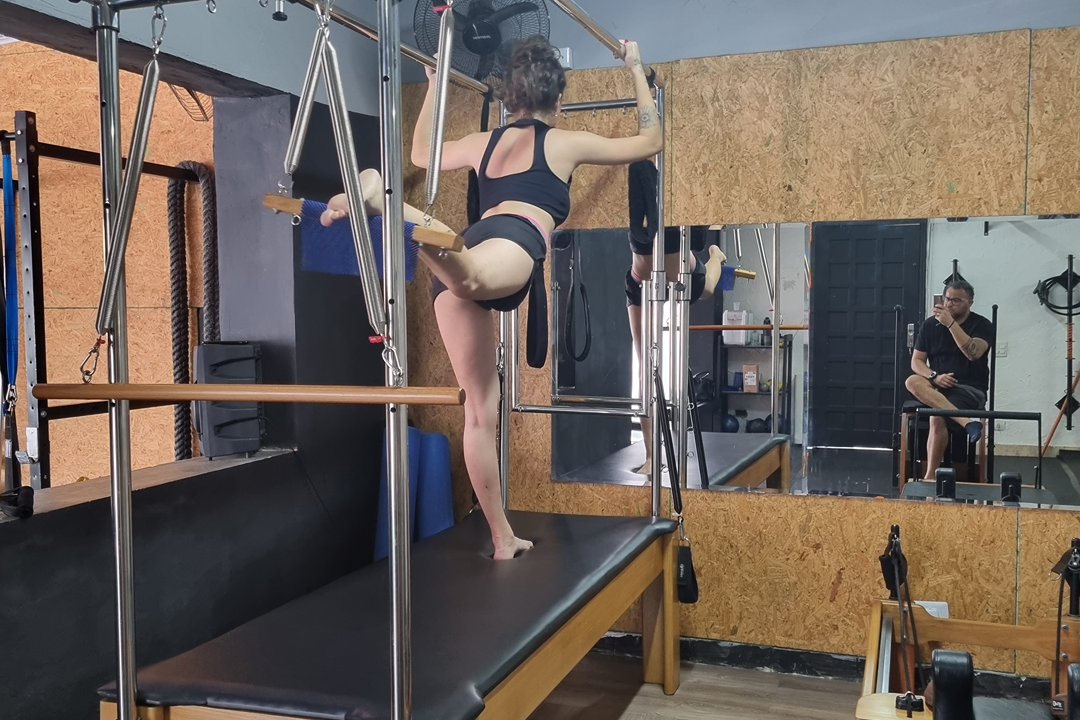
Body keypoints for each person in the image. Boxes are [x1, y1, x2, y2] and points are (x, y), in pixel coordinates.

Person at [322, 36, 665, 559]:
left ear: (510, 100)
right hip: (512, 238)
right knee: (474, 283)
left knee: (482, 409)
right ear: (557, 100)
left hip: (471, 241)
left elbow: (420, 153)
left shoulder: (484, 143)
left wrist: (435, 88)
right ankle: (391, 208)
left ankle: (503, 538)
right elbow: (650, 140)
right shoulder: (563, 142)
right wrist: (635, 67)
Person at [904, 279, 994, 481]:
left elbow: (973, 353)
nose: (950, 304)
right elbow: (916, 361)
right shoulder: (930, 325)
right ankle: (967, 423)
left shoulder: (982, 325)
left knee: (938, 415)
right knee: (912, 381)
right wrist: (934, 376)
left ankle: (929, 478)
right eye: (947, 299)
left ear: (970, 302)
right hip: (937, 385)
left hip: (969, 388)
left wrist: (951, 324)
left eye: (956, 300)